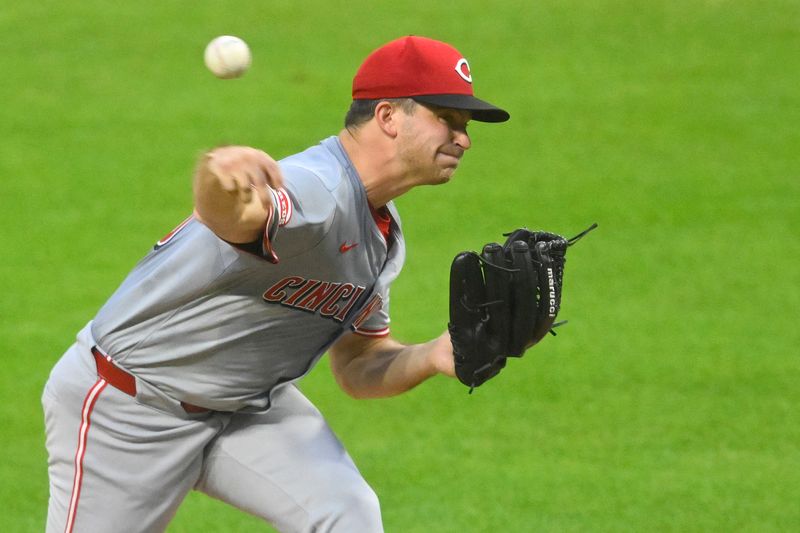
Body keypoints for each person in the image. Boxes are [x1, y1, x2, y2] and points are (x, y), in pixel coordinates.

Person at [42, 35, 510, 533]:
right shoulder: (316, 188)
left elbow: (357, 365)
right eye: (449, 120)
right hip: (130, 408)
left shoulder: (383, 237)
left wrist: (437, 355)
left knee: (348, 515)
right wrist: (216, 173)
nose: (464, 139)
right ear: (389, 116)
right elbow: (232, 215)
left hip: (245, 409)